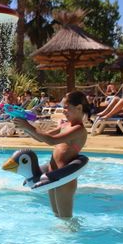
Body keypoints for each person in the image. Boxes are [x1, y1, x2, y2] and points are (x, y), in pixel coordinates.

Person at [13, 91, 90, 219]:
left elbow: (51, 140)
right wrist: (25, 127)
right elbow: (42, 138)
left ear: (79, 108)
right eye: (63, 107)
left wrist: (28, 126)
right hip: (52, 175)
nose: (63, 110)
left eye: (66, 107)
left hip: (64, 179)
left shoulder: (79, 129)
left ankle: (73, 232)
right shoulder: (65, 125)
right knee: (56, 215)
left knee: (65, 218)